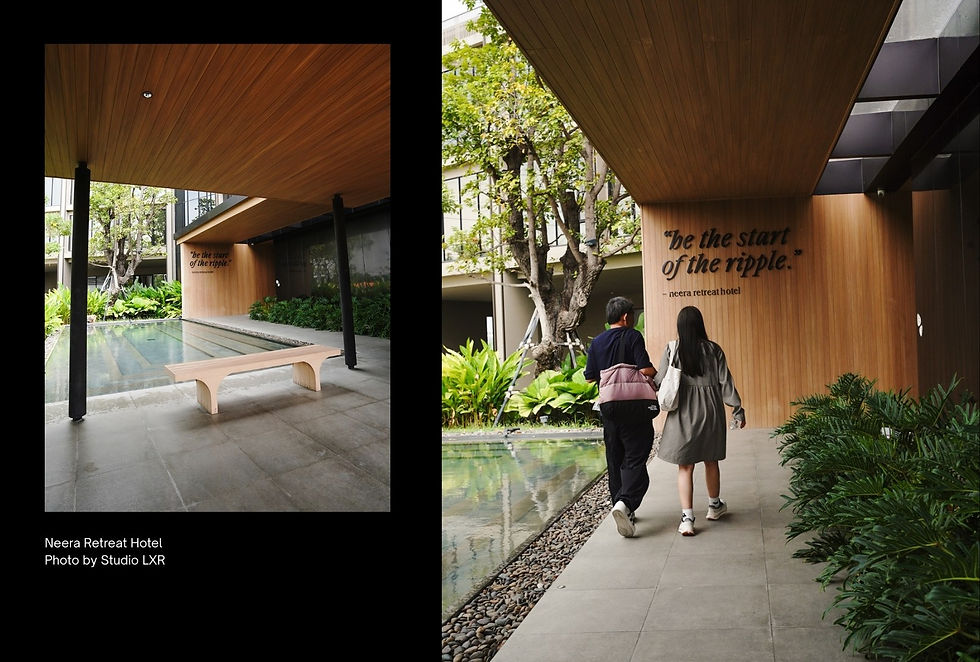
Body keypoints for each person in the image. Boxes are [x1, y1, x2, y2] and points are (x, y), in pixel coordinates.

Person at [653, 305, 745, 536]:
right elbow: (725, 382)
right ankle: (714, 506)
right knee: (711, 460)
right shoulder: (714, 350)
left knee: (685, 466)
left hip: (683, 412)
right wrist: (737, 408)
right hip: (711, 409)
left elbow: (659, 380)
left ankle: (687, 519)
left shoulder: (672, 349)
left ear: (680, 327)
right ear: (700, 324)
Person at [584, 296, 658, 538]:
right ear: (626, 316)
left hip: (610, 408)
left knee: (615, 455)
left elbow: (589, 377)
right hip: (635, 407)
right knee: (636, 456)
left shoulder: (596, 342)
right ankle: (625, 503)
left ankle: (619, 502)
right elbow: (645, 368)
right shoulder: (633, 336)